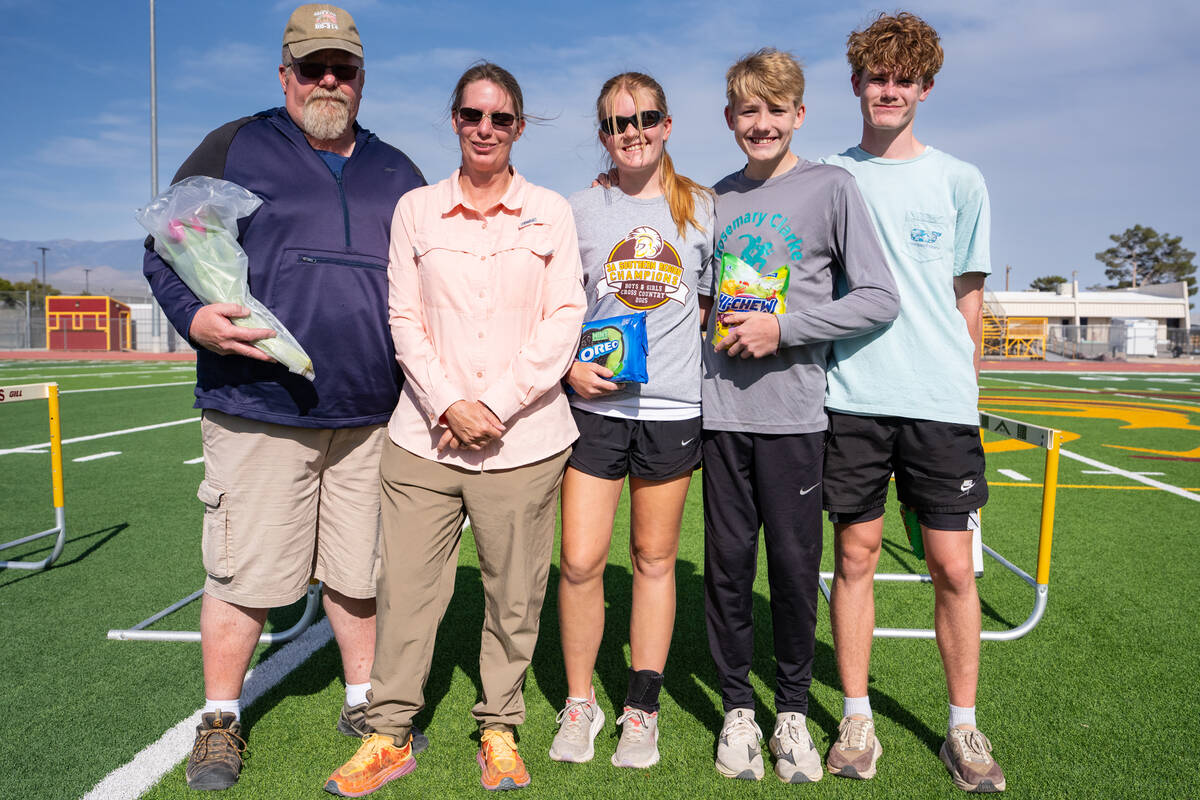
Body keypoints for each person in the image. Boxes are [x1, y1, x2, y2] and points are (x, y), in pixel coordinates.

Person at [143, 4, 424, 791]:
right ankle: (220, 720)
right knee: (246, 574)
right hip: (259, 406)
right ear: (285, 74)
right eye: (312, 67)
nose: (327, 81)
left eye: (343, 69)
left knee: (361, 571)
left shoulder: (399, 169)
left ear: (363, 80)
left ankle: (364, 702)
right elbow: (168, 244)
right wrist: (192, 316)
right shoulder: (236, 145)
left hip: (372, 412)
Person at [324, 62, 586, 796]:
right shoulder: (416, 210)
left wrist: (495, 405)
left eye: (500, 120)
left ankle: (498, 726)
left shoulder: (550, 212)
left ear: (518, 128)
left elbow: (564, 318)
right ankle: (388, 733)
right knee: (406, 590)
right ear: (454, 121)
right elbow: (402, 318)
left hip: (525, 440)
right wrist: (448, 403)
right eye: (473, 116)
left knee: (513, 595)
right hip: (423, 439)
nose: (485, 130)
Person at [697, 48, 899, 784]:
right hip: (719, 415)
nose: (762, 123)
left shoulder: (831, 187)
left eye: (775, 110)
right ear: (730, 119)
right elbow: (694, 298)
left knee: (790, 567)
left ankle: (788, 711)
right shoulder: (713, 198)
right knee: (725, 568)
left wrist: (784, 329)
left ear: (799, 116)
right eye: (748, 111)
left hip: (794, 419)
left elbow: (879, 296)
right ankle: (736, 711)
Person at [820, 12, 1004, 793]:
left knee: (954, 569)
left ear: (924, 88)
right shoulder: (828, 174)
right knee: (854, 558)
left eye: (903, 78)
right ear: (856, 82)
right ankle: (855, 715)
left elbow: (968, 299)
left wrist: (960, 386)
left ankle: (963, 727)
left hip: (938, 405)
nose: (888, 89)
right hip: (852, 398)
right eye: (876, 76)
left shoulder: (961, 180)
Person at [548, 72, 713, 770]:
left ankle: (640, 709)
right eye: (618, 123)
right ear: (603, 134)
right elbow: (552, 306)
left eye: (645, 118)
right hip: (595, 410)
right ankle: (580, 703)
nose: (632, 132)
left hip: (672, 410)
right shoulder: (577, 210)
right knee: (581, 561)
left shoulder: (705, 207)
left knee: (652, 559)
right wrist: (566, 368)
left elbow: (711, 304)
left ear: (667, 123)